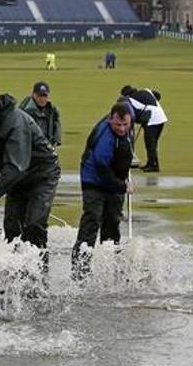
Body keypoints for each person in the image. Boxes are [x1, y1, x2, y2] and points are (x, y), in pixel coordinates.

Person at [0, 92, 60, 268]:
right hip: (17, 176)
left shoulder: (16, 123)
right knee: (12, 225)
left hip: (42, 174)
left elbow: (17, 166)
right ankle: (15, 269)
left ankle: (38, 272)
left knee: (34, 224)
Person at [71, 103, 134, 279]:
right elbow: (103, 171)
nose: (122, 129)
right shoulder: (105, 140)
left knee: (113, 221)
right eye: (118, 125)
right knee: (92, 220)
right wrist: (123, 187)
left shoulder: (129, 124)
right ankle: (80, 270)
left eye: (125, 125)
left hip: (114, 180)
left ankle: (110, 267)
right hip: (94, 181)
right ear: (110, 120)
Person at [119, 85, 167, 172]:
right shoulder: (147, 90)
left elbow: (132, 116)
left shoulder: (129, 100)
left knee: (150, 143)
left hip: (152, 120)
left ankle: (153, 166)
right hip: (162, 117)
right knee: (153, 143)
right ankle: (151, 163)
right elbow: (158, 95)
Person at [19, 81, 62, 147]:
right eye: (39, 96)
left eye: (45, 96)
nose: (42, 99)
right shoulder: (25, 112)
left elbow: (56, 124)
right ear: (33, 95)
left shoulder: (51, 110)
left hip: (46, 148)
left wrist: (56, 140)